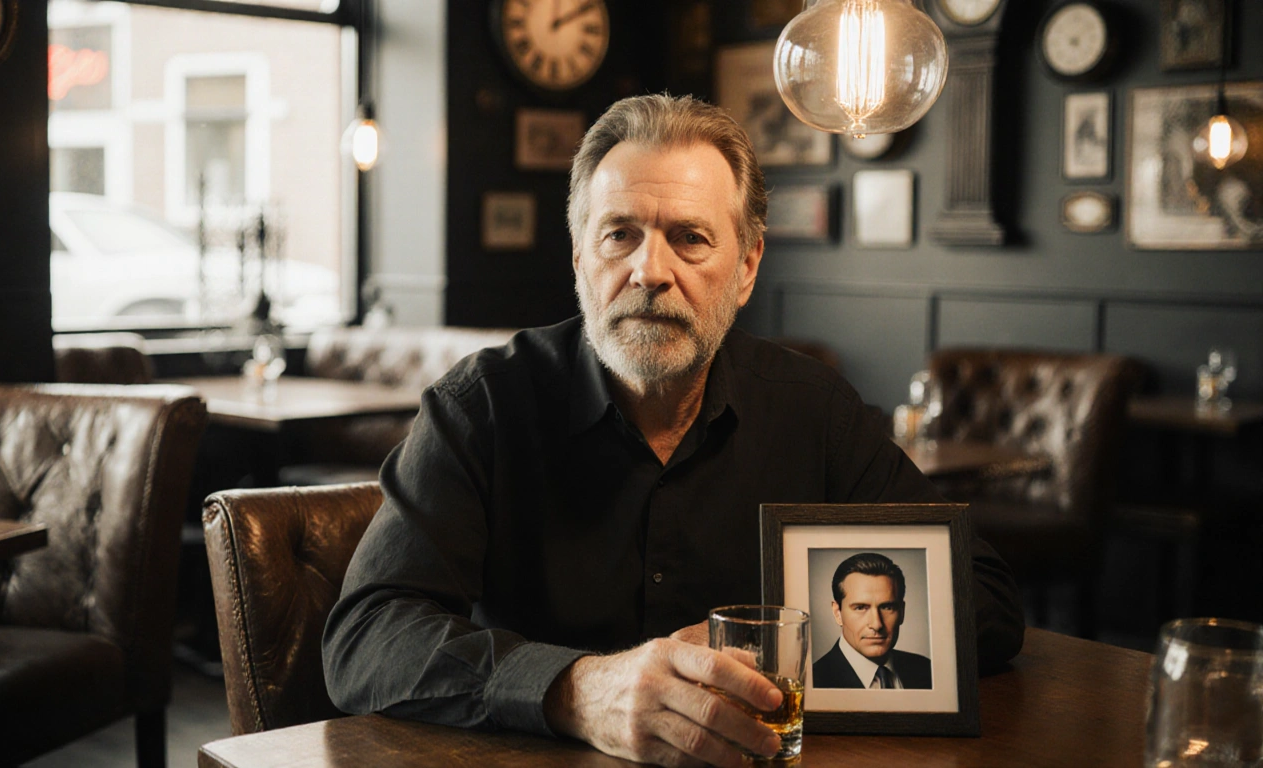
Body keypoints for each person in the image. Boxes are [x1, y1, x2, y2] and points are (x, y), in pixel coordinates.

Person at [323, 93, 1024, 768]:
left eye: (689, 239)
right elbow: (367, 636)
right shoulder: (482, 407)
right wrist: (576, 689)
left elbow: (983, 599)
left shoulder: (816, 411)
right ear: (578, 256)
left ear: (746, 266)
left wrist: (780, 655)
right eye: (619, 234)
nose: (649, 272)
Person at [810, 552, 932, 689]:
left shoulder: (927, 671)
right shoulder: (813, 681)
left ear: (902, 612)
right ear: (837, 613)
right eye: (860, 608)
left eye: (887, 607)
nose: (876, 624)